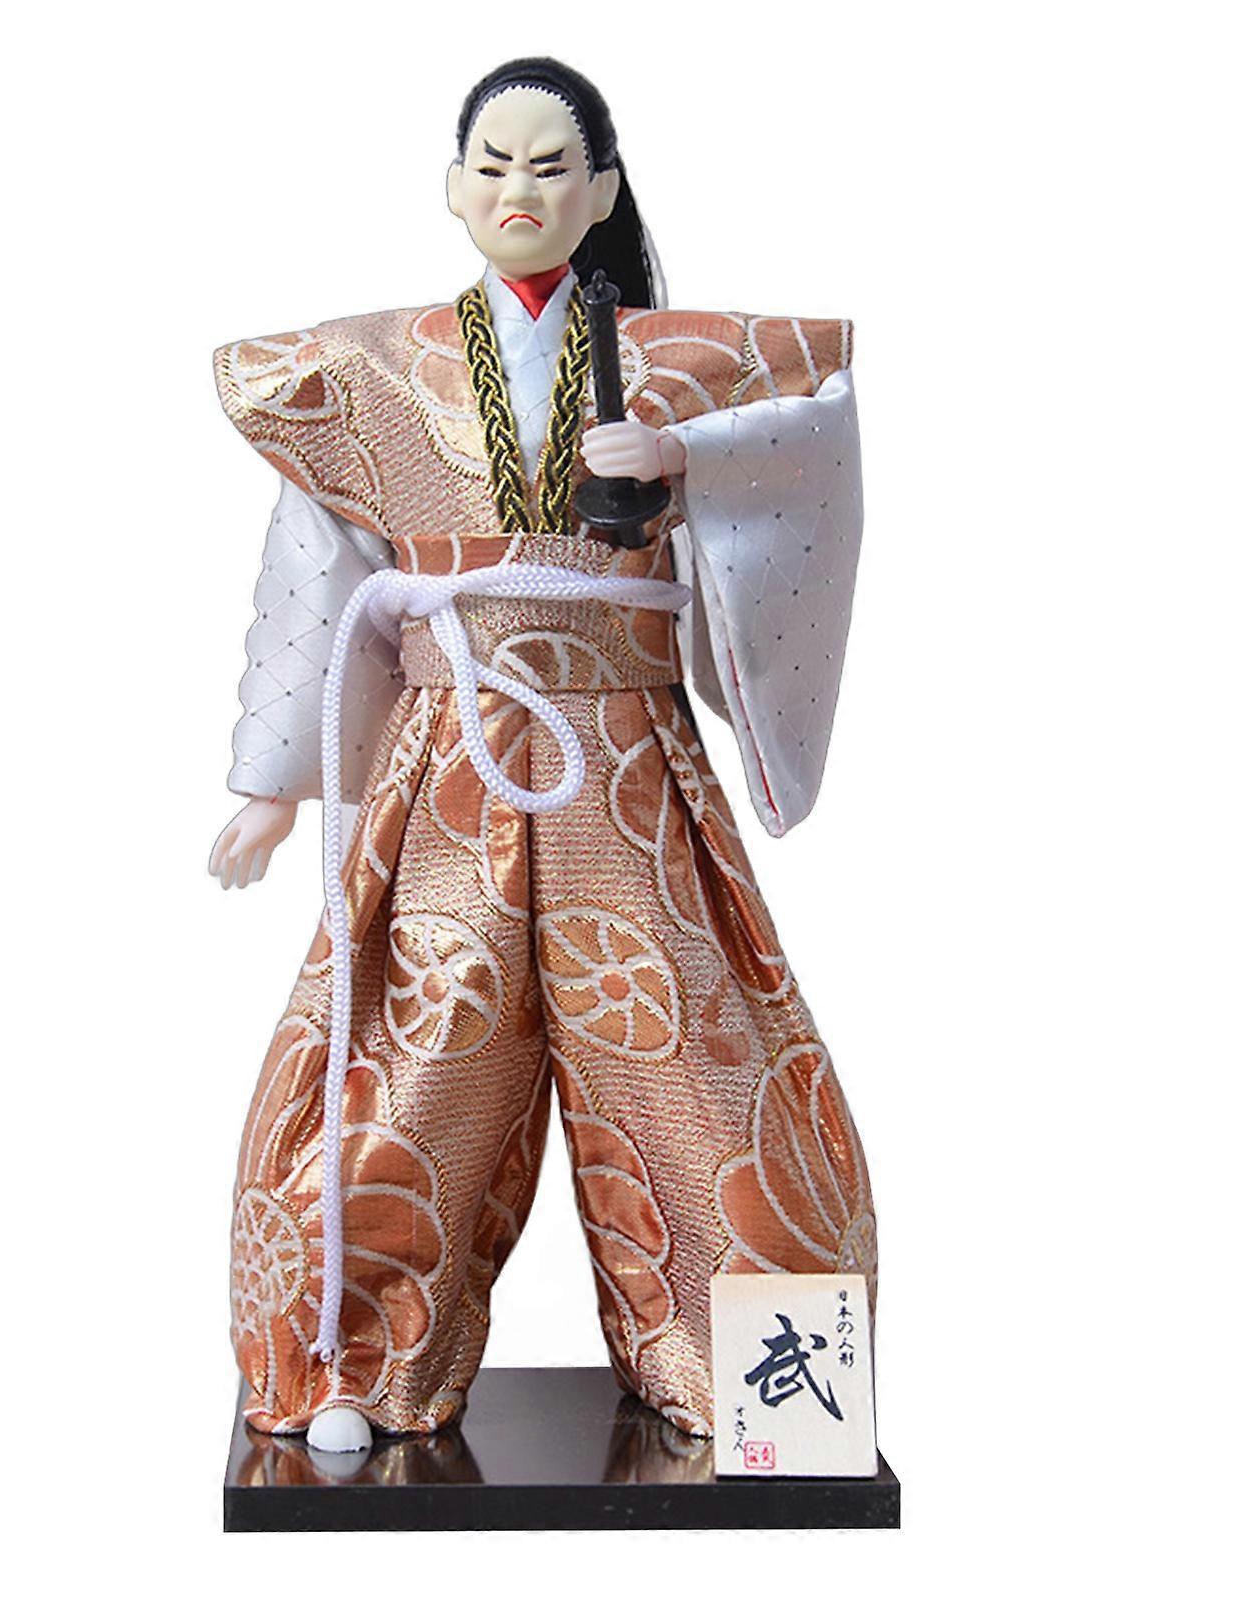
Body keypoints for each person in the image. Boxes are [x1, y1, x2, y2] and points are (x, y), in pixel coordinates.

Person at [212, 56, 875, 1453]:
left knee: (692, 1053)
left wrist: (687, 465)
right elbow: (318, 558)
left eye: (552, 164)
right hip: (447, 758)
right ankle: (351, 1360)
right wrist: (271, 786)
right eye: (494, 164)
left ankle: (751, 1377)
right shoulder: (372, 371)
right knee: (415, 1046)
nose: (520, 188)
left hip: (626, 752)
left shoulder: (675, 363)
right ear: (453, 190)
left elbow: (802, 443)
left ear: (603, 191)